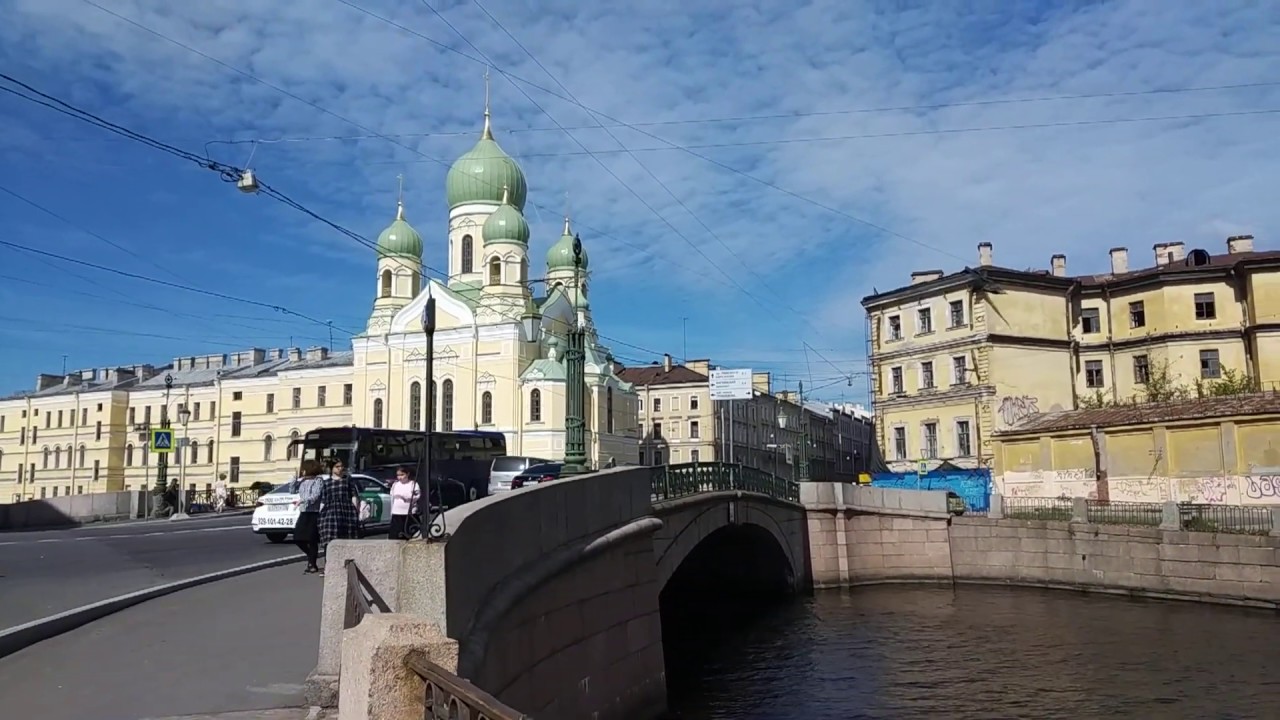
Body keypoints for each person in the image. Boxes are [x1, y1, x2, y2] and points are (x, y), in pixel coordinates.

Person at [317, 458, 361, 574]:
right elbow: (323, 499)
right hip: (330, 512)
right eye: (337, 466)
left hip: (346, 511)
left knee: (347, 537)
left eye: (341, 466)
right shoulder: (327, 483)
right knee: (329, 538)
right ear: (331, 468)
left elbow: (353, 495)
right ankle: (329, 565)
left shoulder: (347, 480)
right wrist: (321, 514)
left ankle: (348, 564)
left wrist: (356, 509)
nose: (340, 469)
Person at [292, 459, 324, 574]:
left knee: (312, 539)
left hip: (313, 512)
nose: (302, 471)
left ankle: (312, 564)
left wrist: (302, 500)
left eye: (304, 468)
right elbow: (292, 490)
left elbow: (315, 496)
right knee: (297, 538)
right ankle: (311, 557)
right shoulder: (302, 481)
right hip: (304, 512)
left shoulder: (318, 481)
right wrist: (294, 479)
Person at [388, 466, 420, 540]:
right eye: (398, 475)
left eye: (402, 475)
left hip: (409, 512)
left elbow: (417, 496)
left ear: (407, 474)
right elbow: (392, 497)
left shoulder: (413, 484)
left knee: (410, 531)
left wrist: (405, 497)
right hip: (397, 512)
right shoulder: (395, 485)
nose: (400, 477)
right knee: (396, 533)